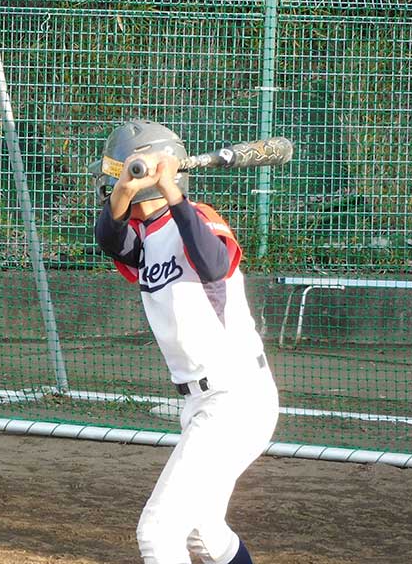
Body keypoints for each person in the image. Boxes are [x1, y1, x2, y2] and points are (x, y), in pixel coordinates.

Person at [90, 120, 279, 564]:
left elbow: (213, 264)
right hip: (200, 402)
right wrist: (124, 188)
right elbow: (108, 239)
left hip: (236, 398)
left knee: (157, 533)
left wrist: (172, 190)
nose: (114, 184)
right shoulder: (142, 237)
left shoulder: (199, 216)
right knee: (203, 535)